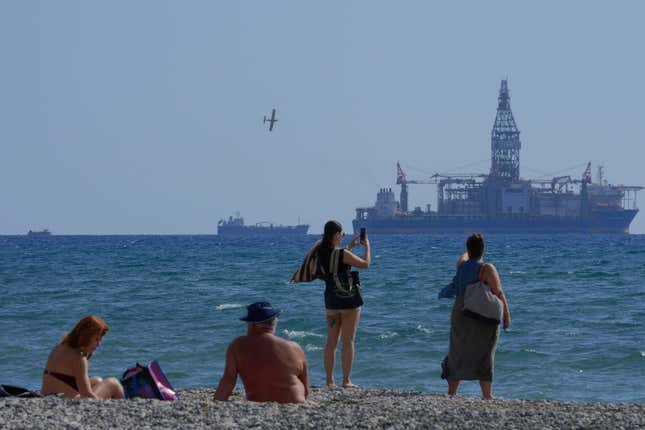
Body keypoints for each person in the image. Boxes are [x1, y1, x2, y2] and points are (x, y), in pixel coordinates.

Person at [440, 233, 511, 399]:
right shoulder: (487, 268)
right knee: (485, 351)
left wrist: (467, 251)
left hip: (461, 310)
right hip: (482, 315)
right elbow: (498, 293)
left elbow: (463, 257)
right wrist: (506, 316)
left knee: (457, 352)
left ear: (468, 250)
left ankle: (452, 393)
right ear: (483, 250)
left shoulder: (461, 266)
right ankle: (487, 394)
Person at [214, 302, 309, 403]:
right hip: (295, 402)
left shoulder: (237, 346)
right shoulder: (294, 348)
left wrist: (217, 403)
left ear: (251, 324)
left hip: (259, 401)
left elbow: (228, 381)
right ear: (274, 322)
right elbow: (306, 388)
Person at [316, 221, 370, 388]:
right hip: (349, 301)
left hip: (331, 301)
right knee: (348, 342)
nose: (343, 235)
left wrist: (349, 247)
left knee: (331, 342)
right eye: (342, 233)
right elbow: (365, 264)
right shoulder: (343, 253)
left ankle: (329, 381)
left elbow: (335, 261)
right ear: (336, 234)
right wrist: (367, 246)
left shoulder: (321, 252)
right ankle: (346, 381)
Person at [41, 315, 125, 399]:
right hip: (66, 402)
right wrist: (102, 403)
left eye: (100, 340)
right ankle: (122, 409)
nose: (98, 345)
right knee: (113, 383)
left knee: (97, 380)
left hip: (48, 398)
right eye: (96, 339)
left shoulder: (60, 347)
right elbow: (86, 394)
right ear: (86, 337)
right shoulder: (78, 357)